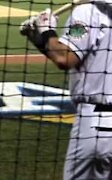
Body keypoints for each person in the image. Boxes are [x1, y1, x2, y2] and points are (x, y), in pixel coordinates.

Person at [20, 0, 112, 179]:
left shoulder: (86, 13)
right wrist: (42, 40)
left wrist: (47, 31)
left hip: (97, 124)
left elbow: (65, 58)